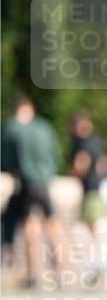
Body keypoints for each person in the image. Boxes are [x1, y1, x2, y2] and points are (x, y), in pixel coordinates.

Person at [1, 94, 64, 287]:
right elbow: (57, 156)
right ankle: (62, 271)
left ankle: (34, 273)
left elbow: (6, 161)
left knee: (31, 226)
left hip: (27, 180)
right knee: (53, 223)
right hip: (45, 180)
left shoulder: (12, 128)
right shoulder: (44, 126)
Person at [69, 111, 107, 232]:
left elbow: (81, 164)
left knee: (90, 223)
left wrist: (71, 175)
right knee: (95, 222)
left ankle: (94, 248)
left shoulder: (83, 142)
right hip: (99, 186)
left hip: (89, 187)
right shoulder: (97, 139)